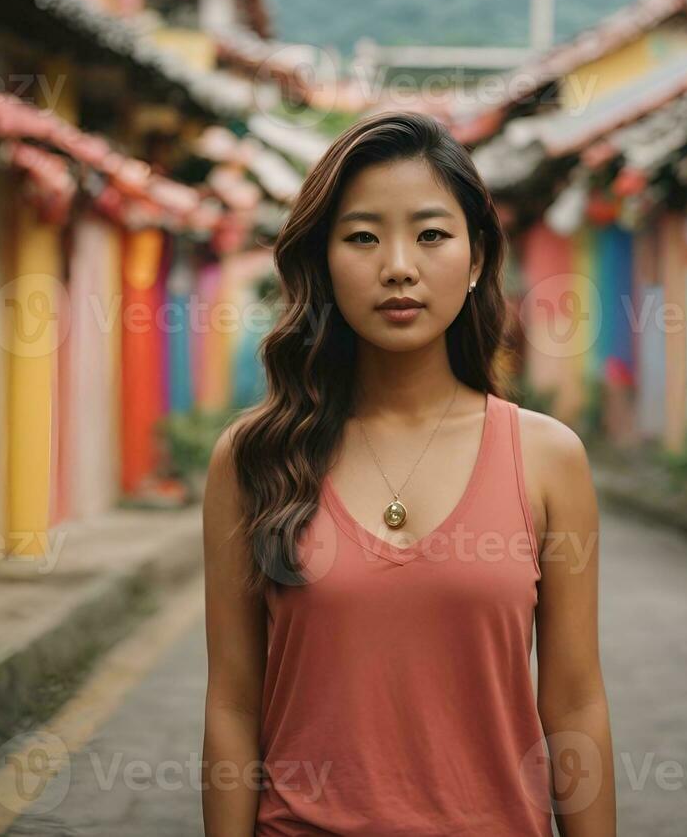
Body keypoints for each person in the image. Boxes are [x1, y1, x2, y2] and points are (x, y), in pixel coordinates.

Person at [200, 111, 617, 835]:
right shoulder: (254, 459)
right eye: (362, 237)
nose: (399, 265)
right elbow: (233, 705)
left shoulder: (548, 459)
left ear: (478, 256)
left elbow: (576, 701)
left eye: (431, 235)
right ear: (324, 260)